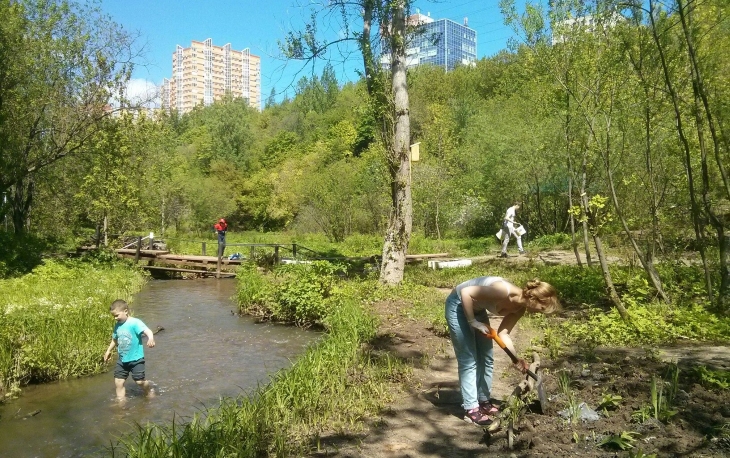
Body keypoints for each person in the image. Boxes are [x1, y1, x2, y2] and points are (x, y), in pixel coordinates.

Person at [444, 276, 560, 425]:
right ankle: (471, 409)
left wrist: (516, 358)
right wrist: (472, 321)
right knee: (469, 359)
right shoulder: (503, 291)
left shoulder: (519, 309)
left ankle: (483, 401)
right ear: (534, 299)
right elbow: (466, 292)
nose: (541, 313)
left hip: (477, 308)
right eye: (542, 309)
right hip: (459, 304)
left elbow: (502, 334)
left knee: (487, 357)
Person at [103, 299, 156, 401]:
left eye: (117, 315)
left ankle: (149, 389)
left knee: (139, 381)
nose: (115, 318)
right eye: (113, 316)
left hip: (136, 359)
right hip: (122, 360)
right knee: (118, 382)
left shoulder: (134, 323)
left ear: (126, 311)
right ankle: (121, 402)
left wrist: (151, 338)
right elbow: (115, 339)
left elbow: (147, 331)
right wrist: (108, 350)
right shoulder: (117, 325)